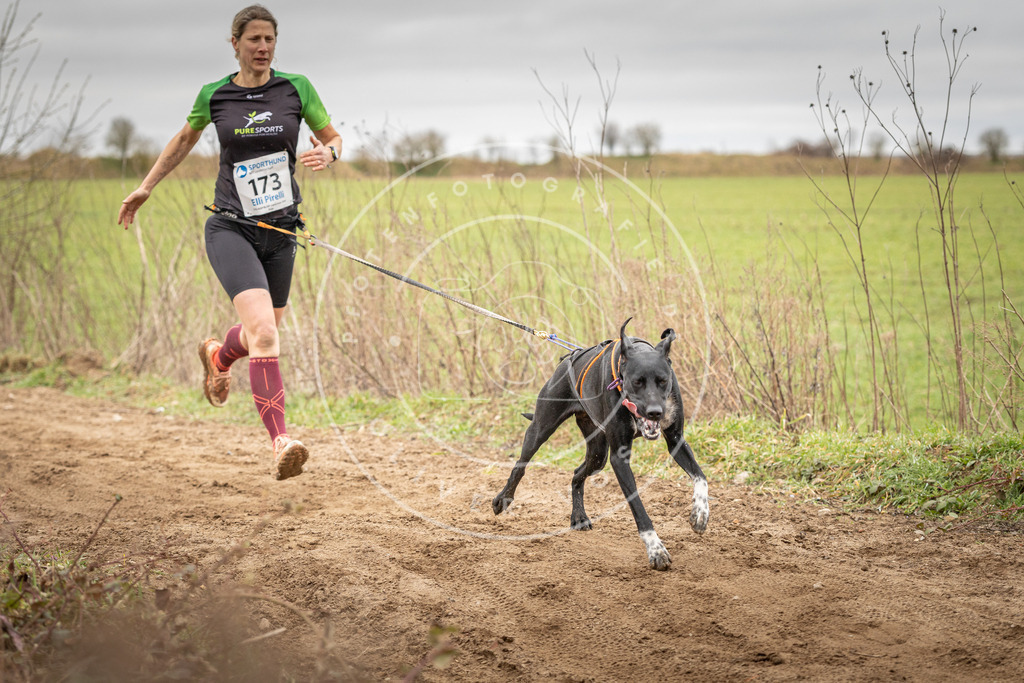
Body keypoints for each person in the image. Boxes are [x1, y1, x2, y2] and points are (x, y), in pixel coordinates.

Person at [117, 4, 341, 480]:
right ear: (235, 43)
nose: (263, 48)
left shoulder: (296, 88)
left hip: (281, 232)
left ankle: (219, 356)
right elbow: (182, 139)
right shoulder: (214, 95)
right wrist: (147, 186)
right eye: (254, 39)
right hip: (231, 227)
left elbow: (334, 137)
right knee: (264, 335)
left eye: (270, 40)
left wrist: (329, 153)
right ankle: (281, 440)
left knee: (265, 333)